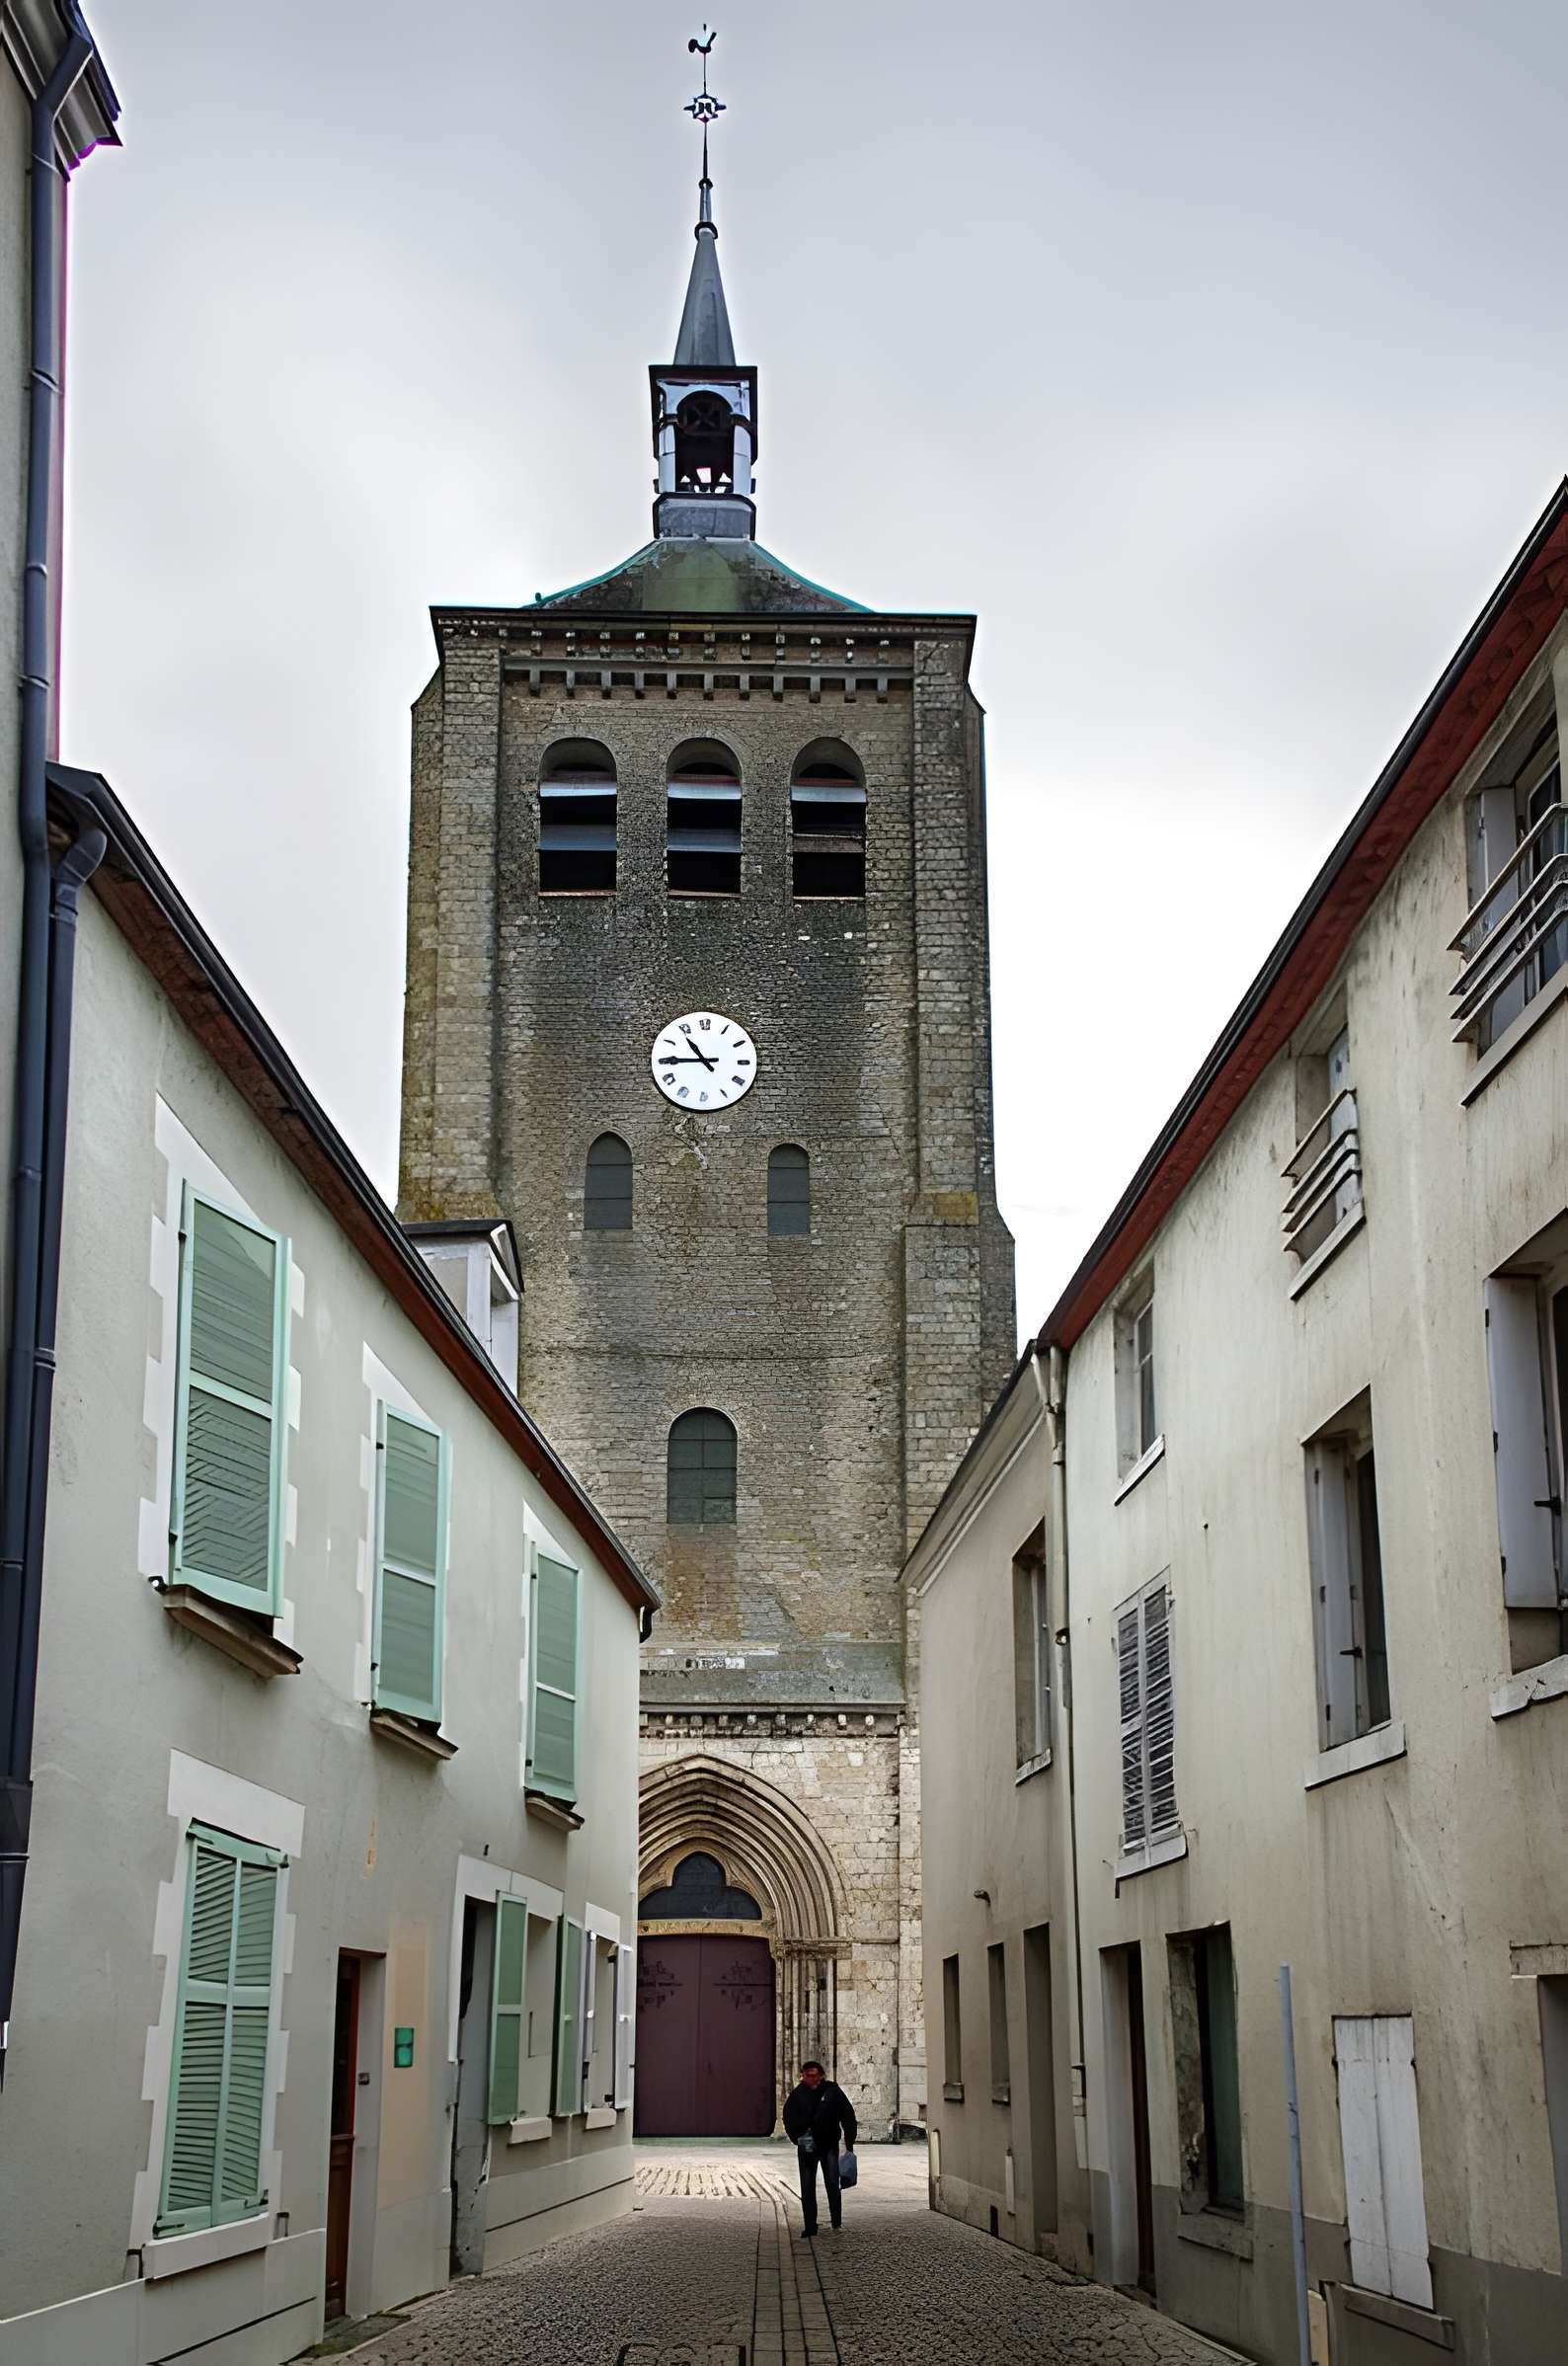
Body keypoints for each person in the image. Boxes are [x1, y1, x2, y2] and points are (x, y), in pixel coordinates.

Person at [782, 2059, 857, 2237]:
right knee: (807, 2186)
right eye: (806, 2075)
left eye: (813, 2076)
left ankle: (836, 2221)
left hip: (829, 2145)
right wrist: (796, 2138)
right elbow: (788, 2116)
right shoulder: (798, 2094)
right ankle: (810, 2226)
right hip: (807, 2146)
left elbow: (847, 2114)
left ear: (821, 2076)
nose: (809, 2079)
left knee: (832, 2182)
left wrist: (849, 2141)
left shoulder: (832, 2091)